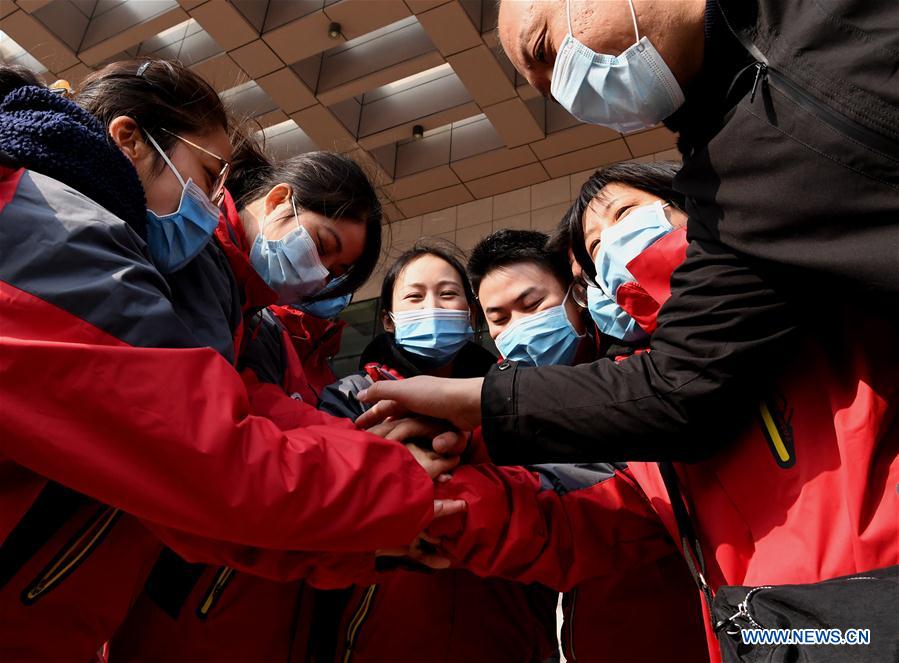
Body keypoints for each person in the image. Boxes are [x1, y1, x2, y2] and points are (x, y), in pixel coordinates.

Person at [0, 62, 457, 661]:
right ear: (129, 139)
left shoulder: (87, 231)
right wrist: (398, 485)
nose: (211, 206)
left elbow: (225, 427)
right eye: (209, 176)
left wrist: (364, 518)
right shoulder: (55, 227)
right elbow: (201, 447)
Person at [355, 0, 899, 467]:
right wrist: (478, 403)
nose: (567, 91)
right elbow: (679, 385)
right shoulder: (724, 194)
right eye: (548, 90)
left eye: (546, 49)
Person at [430, 166, 899, 663]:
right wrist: (428, 499)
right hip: (777, 640)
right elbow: (576, 520)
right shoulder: (634, 404)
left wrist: (486, 402)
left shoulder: (808, 283)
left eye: (625, 214)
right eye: (594, 249)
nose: (613, 243)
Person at [438, 227, 707, 663]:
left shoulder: (646, 384)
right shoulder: (501, 421)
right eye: (500, 319)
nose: (519, 329)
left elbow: (590, 513)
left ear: (576, 297)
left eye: (532, 305)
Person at [319, 242, 559, 663]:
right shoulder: (351, 397)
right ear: (389, 321)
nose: (432, 306)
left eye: (448, 295)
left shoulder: (515, 396)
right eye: (415, 296)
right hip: (379, 638)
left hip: (509, 632)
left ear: (470, 313)